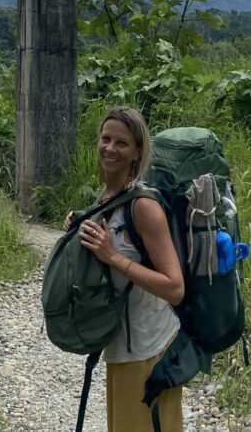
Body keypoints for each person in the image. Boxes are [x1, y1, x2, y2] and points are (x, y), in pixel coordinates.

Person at [64, 107, 185, 432]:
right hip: (121, 347)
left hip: (149, 349)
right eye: (106, 139)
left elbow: (175, 287)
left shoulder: (144, 207)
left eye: (121, 142)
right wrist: (79, 229)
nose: (110, 148)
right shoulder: (107, 200)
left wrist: (114, 258)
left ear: (137, 151)